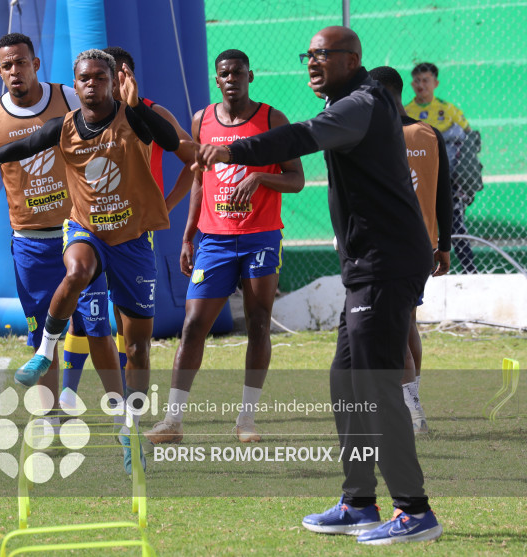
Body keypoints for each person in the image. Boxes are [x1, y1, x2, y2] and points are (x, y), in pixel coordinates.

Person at [187, 27, 442, 545]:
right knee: (346, 383)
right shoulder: (356, 100)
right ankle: (359, 502)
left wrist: (232, 150)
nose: (311, 62)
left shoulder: (361, 104)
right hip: (368, 267)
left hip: (386, 264)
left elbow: (299, 138)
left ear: (351, 59)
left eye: (322, 55)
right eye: (308, 54)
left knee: (374, 385)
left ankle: (414, 511)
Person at [0, 49, 180, 473]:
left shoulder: (133, 117)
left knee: (137, 348)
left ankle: (130, 423)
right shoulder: (64, 126)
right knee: (78, 270)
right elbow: (23, 145)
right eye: (85, 78)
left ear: (113, 82)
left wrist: (137, 105)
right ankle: (45, 352)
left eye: (100, 77)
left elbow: (173, 143)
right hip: (86, 230)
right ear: (76, 82)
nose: (92, 84)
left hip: (132, 240)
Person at [145, 49, 304, 445]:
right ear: (216, 80)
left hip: (260, 237)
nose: (231, 79)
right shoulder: (202, 120)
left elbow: (296, 179)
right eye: (224, 74)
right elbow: (199, 180)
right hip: (213, 240)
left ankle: (246, 419)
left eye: (238, 72)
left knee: (259, 323)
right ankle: (173, 420)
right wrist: (188, 236)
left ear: (251, 76)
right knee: (193, 324)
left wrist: (261, 179)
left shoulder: (273, 120)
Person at [0, 33, 123, 425]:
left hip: (79, 237)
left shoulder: (69, 99)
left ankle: (121, 415)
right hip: (30, 243)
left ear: (35, 64)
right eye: (7, 65)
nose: (15, 71)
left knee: (97, 328)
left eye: (21, 62)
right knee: (42, 339)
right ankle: (50, 418)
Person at [59, 45, 196, 411]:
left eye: (117, 76)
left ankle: (128, 411)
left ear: (128, 77)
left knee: (129, 325)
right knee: (87, 314)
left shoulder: (150, 113)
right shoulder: (82, 118)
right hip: (91, 229)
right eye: (101, 76)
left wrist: (165, 205)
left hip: (133, 231)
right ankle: (68, 396)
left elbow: (192, 159)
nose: (108, 84)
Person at [369, 65, 453, 434]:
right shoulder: (430, 134)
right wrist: (444, 246)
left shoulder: (373, 137)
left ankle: (412, 412)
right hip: (422, 247)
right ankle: (412, 401)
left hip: (385, 247)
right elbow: (444, 194)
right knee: (407, 324)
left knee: (393, 329)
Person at [405, 62, 477, 273]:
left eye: (425, 80)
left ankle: (470, 270)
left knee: (454, 222)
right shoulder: (406, 111)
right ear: (412, 84)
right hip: (418, 180)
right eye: (417, 80)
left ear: (435, 83)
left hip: (448, 179)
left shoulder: (449, 110)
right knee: (419, 224)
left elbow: (471, 139)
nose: (421, 85)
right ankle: (422, 270)